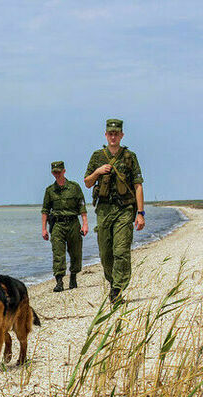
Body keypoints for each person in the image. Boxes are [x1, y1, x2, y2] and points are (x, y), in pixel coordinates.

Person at [83, 119, 145, 304]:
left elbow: (138, 185)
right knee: (105, 253)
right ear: (105, 135)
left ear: (121, 135)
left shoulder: (129, 156)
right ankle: (113, 282)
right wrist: (98, 172)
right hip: (103, 210)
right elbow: (87, 182)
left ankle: (117, 289)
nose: (113, 136)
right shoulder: (97, 156)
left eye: (116, 133)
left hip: (124, 209)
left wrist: (140, 213)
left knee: (121, 250)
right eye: (110, 133)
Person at [41, 161, 88, 292]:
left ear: (64, 171)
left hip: (73, 223)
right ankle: (59, 281)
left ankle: (73, 276)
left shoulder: (74, 187)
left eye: (59, 171)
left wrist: (85, 224)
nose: (57, 174)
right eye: (54, 172)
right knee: (58, 253)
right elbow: (45, 210)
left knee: (76, 252)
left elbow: (82, 206)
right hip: (57, 225)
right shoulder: (50, 191)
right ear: (52, 173)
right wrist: (44, 229)